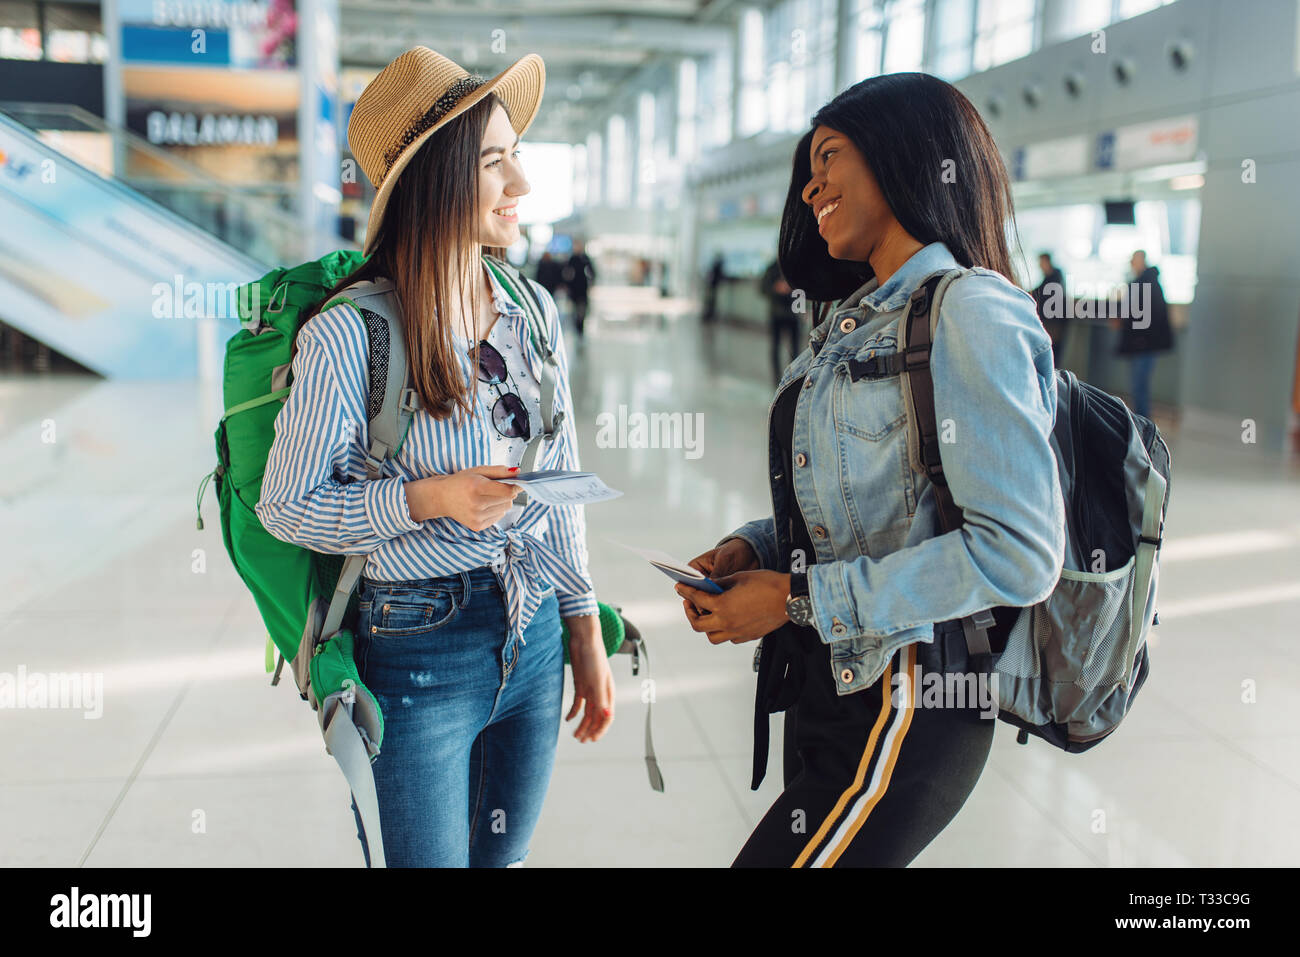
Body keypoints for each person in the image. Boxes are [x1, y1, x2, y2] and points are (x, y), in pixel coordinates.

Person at [674, 72, 1064, 867]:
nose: (811, 184)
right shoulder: (851, 322)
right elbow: (881, 500)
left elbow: (1020, 552)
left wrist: (795, 597)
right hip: (829, 681)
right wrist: (759, 545)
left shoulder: (968, 309)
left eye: (829, 155)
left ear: (904, 154)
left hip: (908, 694)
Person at [256, 47, 614, 868]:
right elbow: (287, 503)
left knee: (504, 859)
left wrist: (584, 628)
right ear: (437, 178)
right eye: (495, 162)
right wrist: (427, 497)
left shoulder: (531, 309)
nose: (520, 183)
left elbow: (556, 473)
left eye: (516, 156)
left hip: (533, 640)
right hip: (413, 643)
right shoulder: (354, 332)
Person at [1115, 249, 1173, 418]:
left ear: (1141, 261)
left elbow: (1149, 316)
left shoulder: (1148, 285)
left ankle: (1142, 423)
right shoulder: (1142, 283)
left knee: (1139, 385)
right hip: (1140, 343)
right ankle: (1140, 420)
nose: (1132, 264)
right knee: (1137, 385)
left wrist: (1140, 337)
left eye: (1134, 260)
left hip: (1144, 344)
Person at [760, 257, 798, 385]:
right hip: (776, 314)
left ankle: (795, 377)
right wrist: (776, 289)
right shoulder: (771, 268)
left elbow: (803, 291)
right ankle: (776, 378)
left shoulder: (795, 266)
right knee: (775, 346)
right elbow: (763, 289)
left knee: (795, 348)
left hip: (793, 314)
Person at [1032, 251, 1068, 367]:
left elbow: (1041, 294)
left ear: (1047, 262)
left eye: (1041, 262)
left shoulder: (1054, 280)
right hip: (1052, 323)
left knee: (1051, 354)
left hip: (1053, 324)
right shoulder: (1052, 278)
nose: (1039, 265)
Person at [563, 240, 596, 336]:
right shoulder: (572, 259)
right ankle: (576, 324)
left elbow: (592, 271)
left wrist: (591, 282)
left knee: (582, 307)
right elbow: (566, 272)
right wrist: (567, 284)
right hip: (574, 288)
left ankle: (580, 324)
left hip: (583, 287)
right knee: (574, 307)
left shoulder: (585, 258)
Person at [702, 253, 725, 324]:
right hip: (713, 285)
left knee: (711, 300)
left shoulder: (716, 265)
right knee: (711, 300)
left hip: (712, 285)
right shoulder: (717, 265)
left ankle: (709, 315)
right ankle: (709, 315)